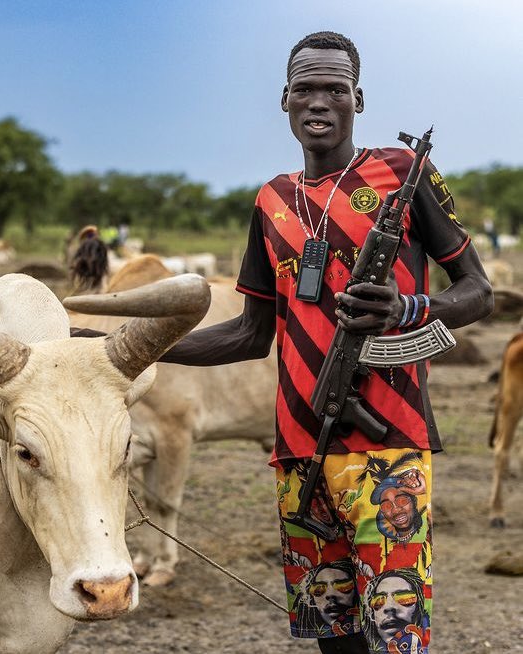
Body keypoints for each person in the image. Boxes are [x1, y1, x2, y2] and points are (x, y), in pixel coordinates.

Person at [154, 31, 493, 654]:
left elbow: (477, 289)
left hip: (391, 448)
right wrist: (139, 347)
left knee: (396, 637)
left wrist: (411, 306)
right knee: (333, 639)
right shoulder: (270, 201)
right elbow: (250, 334)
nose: (319, 102)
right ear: (284, 99)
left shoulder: (402, 172)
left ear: (357, 99)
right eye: (305, 89)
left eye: (334, 90)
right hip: (298, 454)